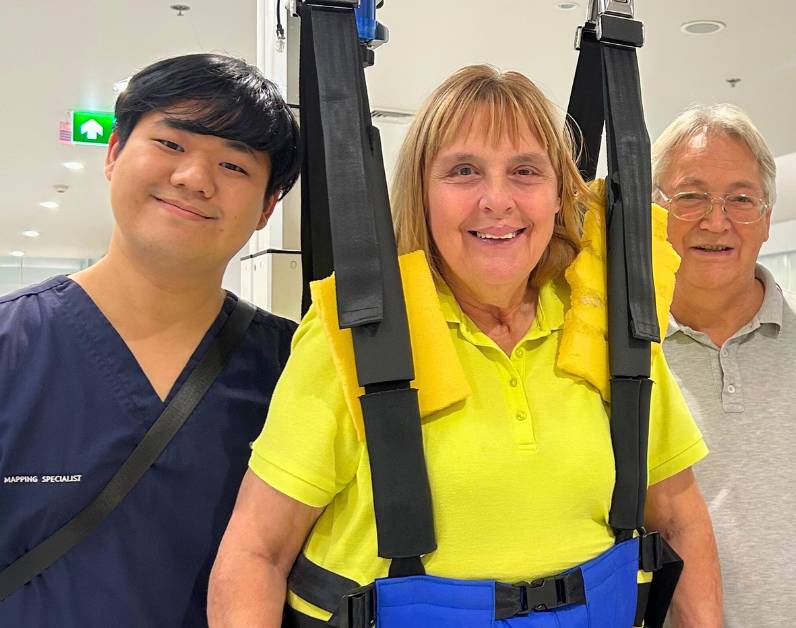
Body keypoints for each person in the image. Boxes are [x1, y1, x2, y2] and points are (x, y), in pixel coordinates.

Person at [207, 65, 721, 627]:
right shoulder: (354, 335)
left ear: (557, 195)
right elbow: (256, 552)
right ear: (422, 194)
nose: (496, 200)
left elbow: (678, 517)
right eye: (464, 171)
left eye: (525, 171)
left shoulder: (607, 325)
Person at [0, 53, 301, 626]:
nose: (194, 179)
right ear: (113, 153)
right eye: (171, 145)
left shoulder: (297, 371)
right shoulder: (11, 345)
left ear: (267, 208)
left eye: (234, 165)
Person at [652, 103, 796, 626]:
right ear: (652, 212)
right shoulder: (617, 352)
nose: (717, 220)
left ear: (767, 219)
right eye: (691, 197)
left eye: (741, 199)